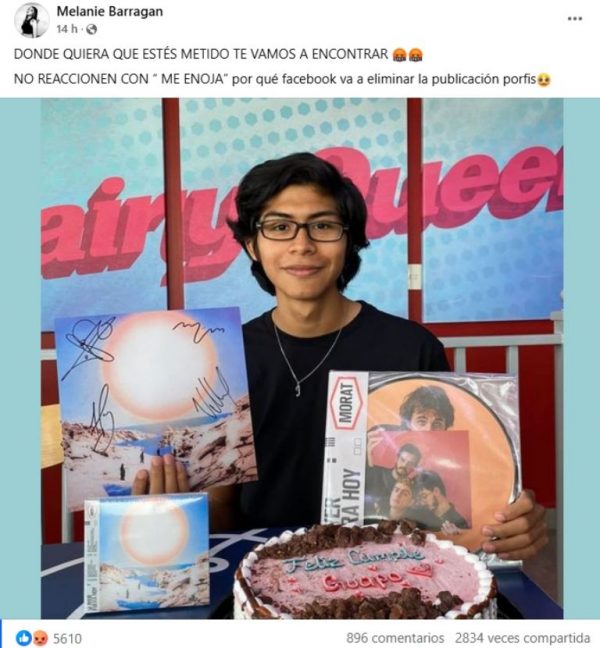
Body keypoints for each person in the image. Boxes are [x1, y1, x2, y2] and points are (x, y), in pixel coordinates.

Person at [133, 152, 547, 560]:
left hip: (381, 573)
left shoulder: (411, 349)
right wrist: (171, 509)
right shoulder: (224, 360)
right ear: (252, 245)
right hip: (258, 572)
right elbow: (223, 509)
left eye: (323, 226)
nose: (302, 245)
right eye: (280, 227)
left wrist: (502, 522)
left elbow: (438, 490)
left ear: (350, 241)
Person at [364, 442, 422, 517]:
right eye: (402, 460)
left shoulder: (411, 490)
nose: (404, 465)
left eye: (410, 463)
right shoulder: (377, 472)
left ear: (415, 467)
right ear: (397, 458)